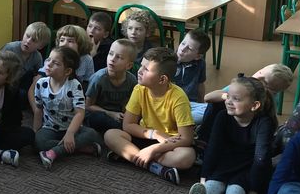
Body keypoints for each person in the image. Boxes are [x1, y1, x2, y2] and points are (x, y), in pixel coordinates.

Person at [188, 76, 277, 194]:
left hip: (249, 168)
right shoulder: (222, 116)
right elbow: (213, 148)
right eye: (228, 96)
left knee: (236, 188)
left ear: (254, 105)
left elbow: (261, 158)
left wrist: (254, 190)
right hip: (226, 163)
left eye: (236, 99)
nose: (229, 101)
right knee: (213, 183)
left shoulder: (264, 123)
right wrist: (204, 177)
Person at [103, 47, 195, 184]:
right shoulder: (139, 89)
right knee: (110, 135)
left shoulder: (179, 98)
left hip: (168, 143)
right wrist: (154, 134)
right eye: (141, 66)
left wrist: (153, 149)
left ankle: (131, 156)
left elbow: (186, 138)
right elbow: (127, 125)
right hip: (145, 135)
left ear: (162, 79)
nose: (139, 71)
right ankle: (155, 167)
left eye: (146, 69)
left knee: (187, 156)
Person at [34, 46, 102, 170]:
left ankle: (53, 152)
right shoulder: (41, 83)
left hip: (73, 129)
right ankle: (80, 148)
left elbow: (80, 113)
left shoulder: (74, 85)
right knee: (39, 142)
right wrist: (36, 130)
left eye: (56, 63)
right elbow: (38, 108)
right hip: (50, 128)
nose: (49, 64)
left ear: (67, 71)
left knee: (92, 134)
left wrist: (70, 133)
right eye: (48, 59)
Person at [197, 63, 293, 147]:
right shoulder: (243, 86)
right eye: (260, 72)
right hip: (225, 123)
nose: (257, 78)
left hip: (242, 134)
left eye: (265, 82)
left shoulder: (269, 103)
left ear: (273, 92)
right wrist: (231, 97)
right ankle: (202, 138)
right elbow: (208, 98)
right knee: (216, 103)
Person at [84, 39, 138, 134]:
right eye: (110, 54)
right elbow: (88, 106)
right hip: (100, 114)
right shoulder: (99, 78)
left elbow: (130, 104)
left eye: (119, 57)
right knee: (99, 118)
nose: (112, 59)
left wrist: (126, 115)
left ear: (129, 66)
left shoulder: (132, 80)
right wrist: (110, 113)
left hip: (119, 116)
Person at [1, 21, 52, 106]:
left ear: (40, 46)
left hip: (20, 84)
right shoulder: (10, 48)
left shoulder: (37, 57)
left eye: (34, 40)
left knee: (23, 93)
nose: (28, 41)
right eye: (27, 36)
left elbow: (39, 74)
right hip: (5, 82)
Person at [172, 29, 210, 123]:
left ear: (198, 56)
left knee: (209, 110)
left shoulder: (200, 63)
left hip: (189, 103)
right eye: (183, 43)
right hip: (169, 102)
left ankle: (179, 121)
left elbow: (200, 84)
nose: (182, 49)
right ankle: (182, 122)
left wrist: (201, 103)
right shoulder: (169, 60)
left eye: (189, 48)